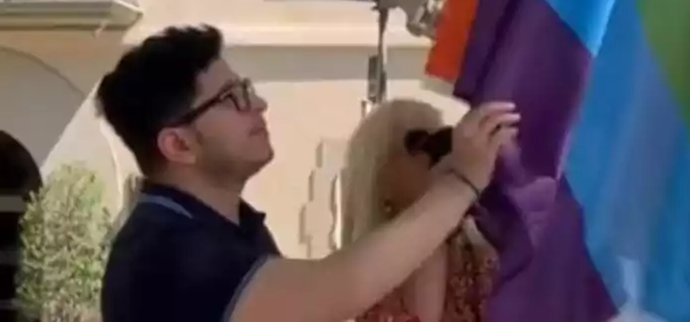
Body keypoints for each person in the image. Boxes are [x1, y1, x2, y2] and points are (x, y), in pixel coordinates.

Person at [97, 26, 518, 322]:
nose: (258, 104)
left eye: (246, 88)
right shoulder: (167, 252)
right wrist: (461, 182)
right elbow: (338, 288)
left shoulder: (227, 229)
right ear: (179, 145)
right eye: (232, 98)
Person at [343, 99, 495, 322]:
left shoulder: (480, 260)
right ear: (381, 174)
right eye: (418, 143)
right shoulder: (362, 275)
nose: (436, 157)